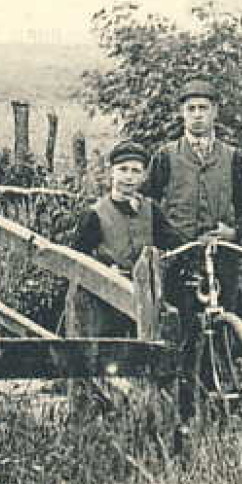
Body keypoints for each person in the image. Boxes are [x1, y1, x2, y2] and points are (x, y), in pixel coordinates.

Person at [143, 78, 242, 314]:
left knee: (221, 327)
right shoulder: (165, 156)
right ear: (182, 113)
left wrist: (234, 232)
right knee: (179, 328)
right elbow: (145, 206)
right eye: (191, 109)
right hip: (178, 259)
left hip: (221, 259)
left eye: (203, 108)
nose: (197, 115)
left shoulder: (232, 158)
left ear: (215, 112)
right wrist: (165, 240)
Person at [69, 139, 184, 336]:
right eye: (123, 170)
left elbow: (174, 244)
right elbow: (77, 260)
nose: (129, 177)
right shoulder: (95, 214)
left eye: (135, 171)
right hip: (105, 301)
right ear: (111, 172)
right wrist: (104, 268)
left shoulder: (151, 210)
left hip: (146, 299)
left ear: (143, 177)